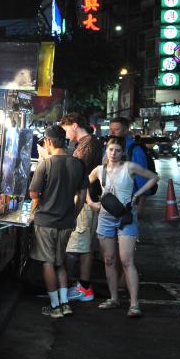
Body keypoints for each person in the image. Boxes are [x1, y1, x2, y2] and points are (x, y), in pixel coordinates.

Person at [86, 136, 159, 318]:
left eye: (118, 150)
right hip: (105, 218)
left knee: (126, 260)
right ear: (106, 150)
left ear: (123, 153)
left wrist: (137, 194)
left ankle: (134, 304)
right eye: (111, 150)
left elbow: (154, 177)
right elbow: (84, 183)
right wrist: (90, 202)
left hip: (126, 217)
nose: (113, 153)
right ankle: (113, 298)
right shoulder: (99, 170)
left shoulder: (129, 167)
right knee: (109, 259)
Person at [29, 125, 87, 318]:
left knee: (47, 262)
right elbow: (82, 193)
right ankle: (65, 303)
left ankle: (55, 307)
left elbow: (34, 193)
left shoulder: (45, 163)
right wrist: (74, 213)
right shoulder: (78, 164)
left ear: (48, 142)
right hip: (66, 221)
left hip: (46, 221)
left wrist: (32, 210)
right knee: (59, 261)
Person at [61, 113, 103, 301]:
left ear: (75, 125)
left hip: (84, 201)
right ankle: (82, 287)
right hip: (83, 199)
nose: (65, 134)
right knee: (82, 245)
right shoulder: (85, 143)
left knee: (78, 246)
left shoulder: (89, 144)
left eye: (66, 129)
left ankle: (82, 287)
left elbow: (77, 173)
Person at [109, 117, 152, 215]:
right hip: (110, 202)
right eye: (111, 129)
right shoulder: (109, 147)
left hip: (129, 202)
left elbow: (142, 180)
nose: (112, 132)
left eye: (116, 129)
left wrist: (140, 208)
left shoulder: (134, 150)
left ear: (126, 130)